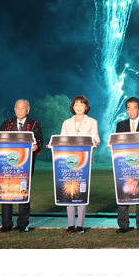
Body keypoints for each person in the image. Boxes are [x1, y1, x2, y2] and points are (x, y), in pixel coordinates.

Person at [0, 99, 44, 233]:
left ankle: (22, 224)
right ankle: (6, 224)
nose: (20, 110)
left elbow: (39, 140)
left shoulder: (34, 124)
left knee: (23, 193)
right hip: (7, 166)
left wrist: (36, 145)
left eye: (23, 108)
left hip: (24, 167)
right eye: (17, 107)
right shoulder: (7, 123)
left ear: (27, 110)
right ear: (14, 109)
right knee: (6, 193)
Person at [113, 97, 139, 234]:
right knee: (123, 193)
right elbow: (117, 144)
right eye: (129, 108)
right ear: (126, 110)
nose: (131, 111)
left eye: (134, 108)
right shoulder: (120, 125)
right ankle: (123, 226)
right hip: (124, 167)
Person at [59, 95, 100, 234]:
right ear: (73, 107)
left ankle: (80, 225)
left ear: (86, 107)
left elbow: (96, 138)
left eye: (81, 104)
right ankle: (70, 225)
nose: (79, 107)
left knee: (81, 191)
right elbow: (61, 139)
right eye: (76, 104)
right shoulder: (66, 123)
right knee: (69, 191)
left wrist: (94, 144)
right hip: (68, 162)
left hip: (84, 160)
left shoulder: (92, 122)